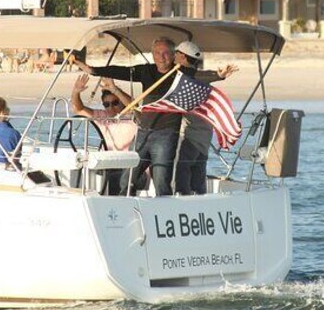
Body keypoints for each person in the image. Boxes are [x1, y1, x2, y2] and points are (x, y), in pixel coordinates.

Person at [74, 37, 188, 196]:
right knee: (127, 179)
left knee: (161, 180)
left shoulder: (181, 74)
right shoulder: (146, 71)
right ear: (152, 54)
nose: (161, 57)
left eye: (166, 53)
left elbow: (202, 76)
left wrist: (218, 75)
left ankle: (164, 212)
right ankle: (125, 206)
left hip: (166, 134)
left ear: (173, 54)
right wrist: (93, 71)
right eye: (157, 53)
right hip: (143, 132)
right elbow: (120, 71)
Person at [171, 41, 238, 194]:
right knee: (198, 180)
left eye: (176, 53)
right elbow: (200, 75)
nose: (174, 56)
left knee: (182, 179)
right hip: (204, 139)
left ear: (182, 56)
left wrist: (218, 75)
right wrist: (218, 76)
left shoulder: (187, 78)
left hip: (189, 138)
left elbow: (195, 74)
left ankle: (184, 206)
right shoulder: (201, 83)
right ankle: (200, 206)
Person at [71, 74, 137, 195]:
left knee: (115, 175)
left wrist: (116, 90)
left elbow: (135, 106)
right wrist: (75, 92)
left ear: (121, 102)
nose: (111, 107)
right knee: (76, 165)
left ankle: (113, 207)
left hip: (128, 164)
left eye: (115, 102)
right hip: (107, 162)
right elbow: (78, 109)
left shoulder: (132, 116)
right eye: (107, 104)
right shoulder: (102, 116)